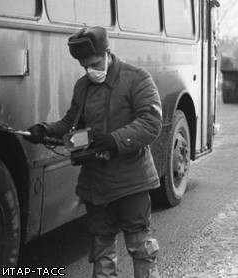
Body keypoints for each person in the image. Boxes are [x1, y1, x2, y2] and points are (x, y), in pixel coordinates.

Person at [24, 26, 162, 278]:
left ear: (108, 52)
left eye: (95, 63)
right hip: (96, 184)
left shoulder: (137, 78)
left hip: (131, 181)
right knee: (102, 250)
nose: (91, 71)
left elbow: (151, 123)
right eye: (84, 66)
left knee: (140, 246)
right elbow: (70, 123)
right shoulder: (83, 86)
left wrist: (114, 139)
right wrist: (44, 131)